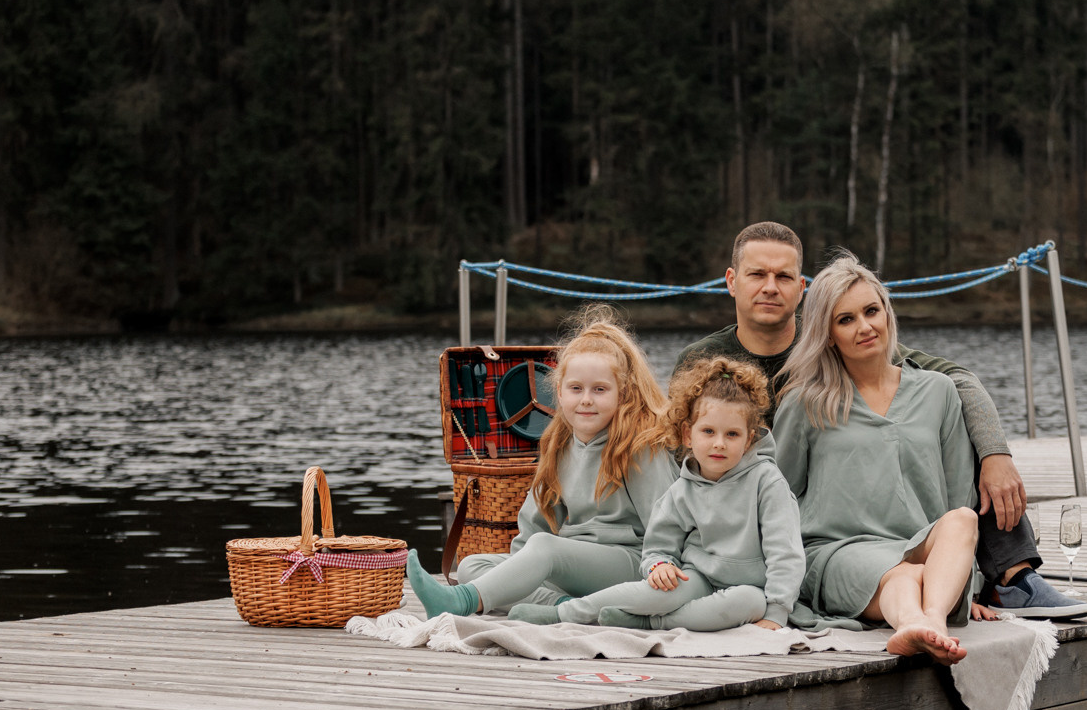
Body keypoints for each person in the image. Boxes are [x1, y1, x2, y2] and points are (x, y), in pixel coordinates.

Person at [677, 222, 1087, 617]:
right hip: (767, 499)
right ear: (732, 281)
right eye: (757, 275)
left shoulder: (842, 330)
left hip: (878, 494)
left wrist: (996, 451)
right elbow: (681, 447)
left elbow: (956, 378)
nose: (770, 287)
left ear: (802, 289)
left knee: (953, 421)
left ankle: (1011, 576)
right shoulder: (704, 360)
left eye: (783, 276)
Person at [770, 252, 982, 664]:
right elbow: (777, 495)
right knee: (903, 575)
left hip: (923, 550)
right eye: (846, 319)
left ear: (887, 312)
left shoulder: (938, 391)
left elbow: (959, 493)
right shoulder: (806, 402)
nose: (865, 327)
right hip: (840, 551)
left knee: (963, 520)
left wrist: (968, 581)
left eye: (871, 311)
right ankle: (920, 624)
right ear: (828, 335)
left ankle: (930, 622)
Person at [409, 308, 677, 617]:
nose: (586, 399)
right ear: (559, 394)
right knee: (473, 566)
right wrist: (519, 571)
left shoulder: (641, 446)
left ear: (623, 393)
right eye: (576, 388)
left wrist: (661, 566)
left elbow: (667, 522)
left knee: (545, 549)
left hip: (633, 563)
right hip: (570, 564)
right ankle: (565, 607)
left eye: (600, 389)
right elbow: (534, 526)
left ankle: (461, 602)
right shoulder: (559, 445)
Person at [513, 357, 804, 632]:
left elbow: (785, 552)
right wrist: (660, 564)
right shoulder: (683, 487)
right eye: (708, 431)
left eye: (732, 435)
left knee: (749, 603)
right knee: (657, 591)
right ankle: (565, 613)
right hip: (697, 576)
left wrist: (777, 610)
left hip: (750, 587)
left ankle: (648, 624)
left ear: (749, 439)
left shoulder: (767, 482)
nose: (719, 443)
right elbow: (659, 543)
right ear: (688, 435)